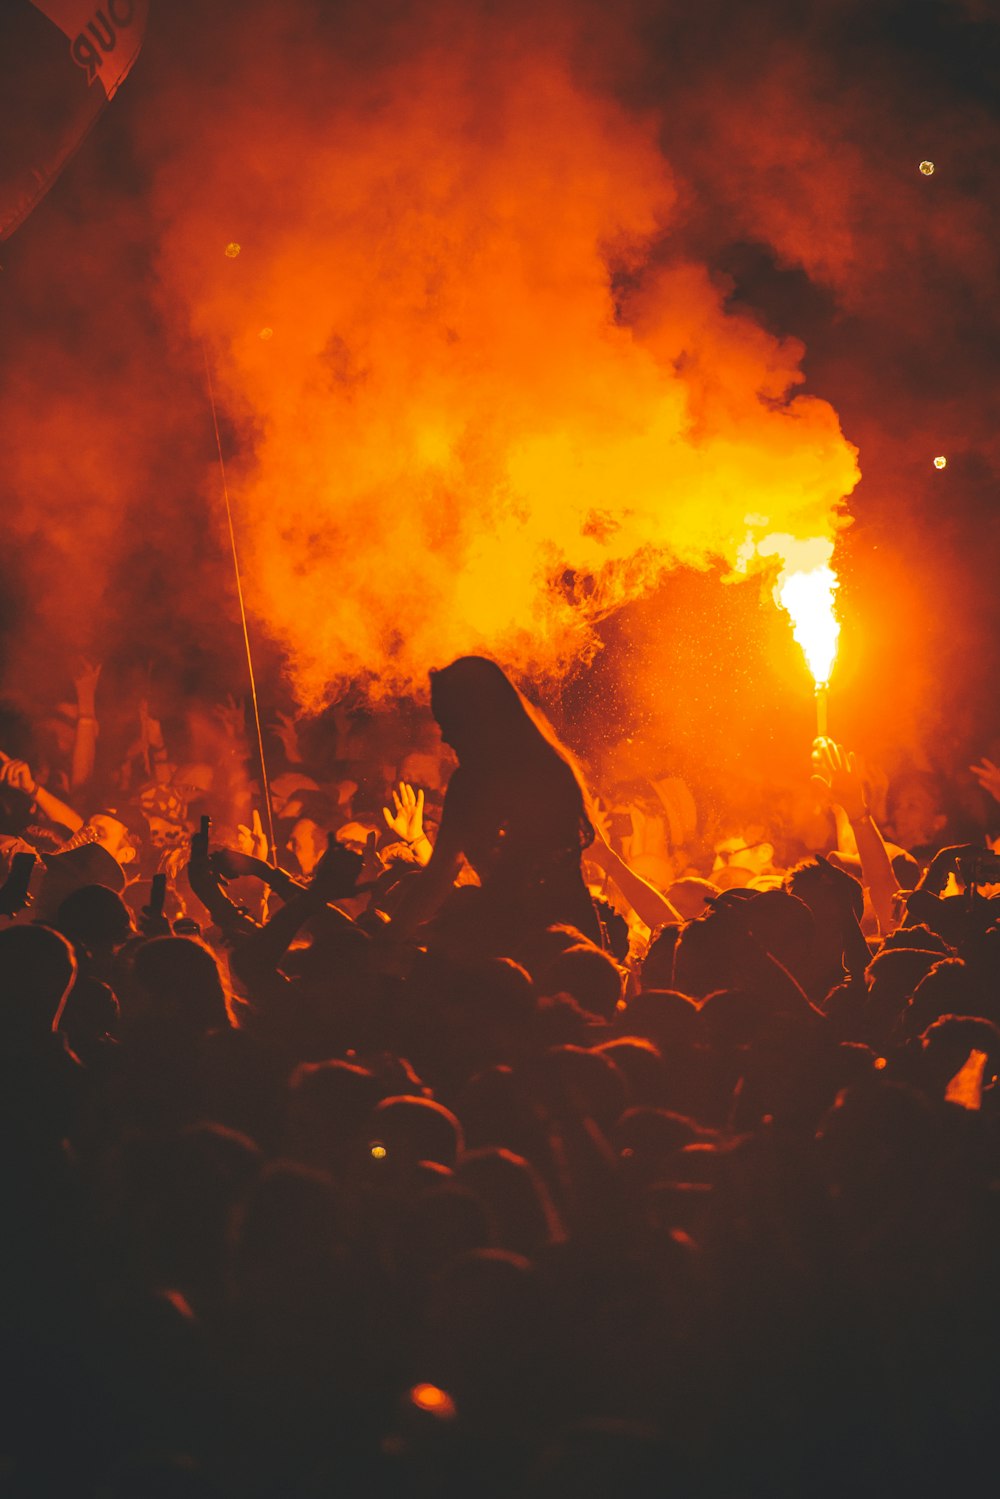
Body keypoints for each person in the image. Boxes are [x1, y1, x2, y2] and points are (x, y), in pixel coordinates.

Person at [391, 657, 602, 949]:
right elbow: (444, 871)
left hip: (543, 941)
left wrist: (391, 939)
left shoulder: (504, 778)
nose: (445, 736)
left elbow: (457, 874)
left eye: (450, 722)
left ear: (477, 717)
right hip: (549, 930)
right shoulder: (542, 768)